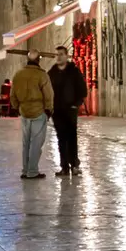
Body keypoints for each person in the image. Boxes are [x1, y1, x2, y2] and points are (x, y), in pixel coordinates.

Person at [11, 52, 53, 179]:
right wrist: (49, 110)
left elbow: (13, 94)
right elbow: (49, 94)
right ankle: (33, 171)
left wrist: (16, 107)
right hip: (38, 112)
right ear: (38, 60)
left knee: (26, 143)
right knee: (36, 143)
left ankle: (25, 170)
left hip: (24, 111)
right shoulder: (42, 75)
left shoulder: (18, 75)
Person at [48, 44, 88, 176]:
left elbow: (82, 90)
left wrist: (76, 104)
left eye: (61, 54)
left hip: (70, 110)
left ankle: (74, 165)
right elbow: (47, 90)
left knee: (71, 137)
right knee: (61, 138)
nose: (58, 57)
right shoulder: (52, 73)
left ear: (66, 56)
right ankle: (64, 166)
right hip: (57, 111)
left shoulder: (74, 71)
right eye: (57, 55)